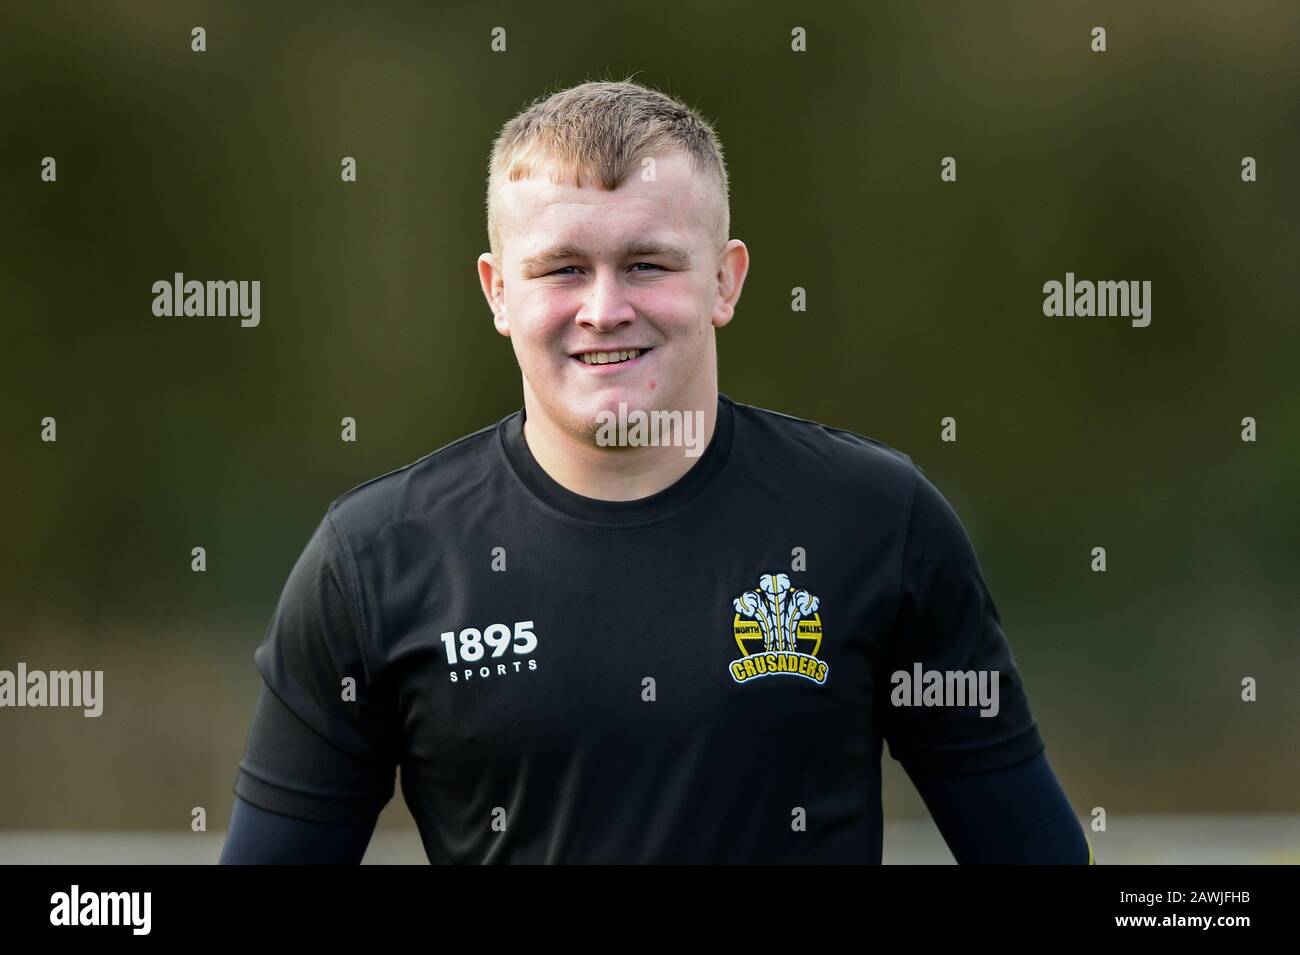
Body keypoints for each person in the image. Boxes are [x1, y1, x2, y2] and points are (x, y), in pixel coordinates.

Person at [220, 79, 1092, 864]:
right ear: (496, 293)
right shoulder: (373, 560)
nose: (604, 308)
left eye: (647, 263)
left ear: (725, 279)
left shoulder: (878, 521)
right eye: (562, 268)